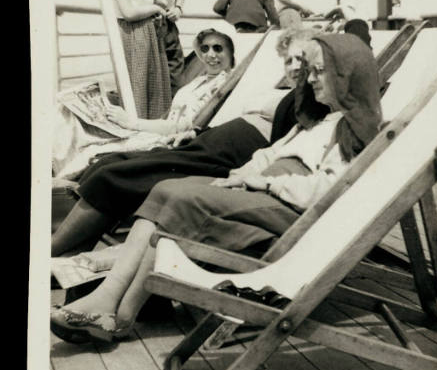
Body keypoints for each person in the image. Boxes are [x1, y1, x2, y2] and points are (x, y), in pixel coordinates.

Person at [50, 33, 382, 343]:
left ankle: (120, 311)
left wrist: (265, 182)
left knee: (181, 197)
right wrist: (243, 173)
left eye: (320, 71)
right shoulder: (320, 120)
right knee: (167, 188)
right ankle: (110, 305)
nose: (310, 78)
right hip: (263, 197)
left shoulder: (355, 131)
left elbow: (325, 191)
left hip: (287, 216)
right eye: (312, 70)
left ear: (347, 75)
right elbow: (271, 153)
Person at [50, 28, 316, 258]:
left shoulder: (310, 99)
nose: (293, 66)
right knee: (109, 162)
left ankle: (54, 249)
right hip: (207, 143)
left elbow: (289, 143)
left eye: (301, 59)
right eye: (288, 60)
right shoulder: (282, 91)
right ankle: (71, 257)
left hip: (227, 156)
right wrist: (198, 131)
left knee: (116, 174)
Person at [104, 28, 234, 137]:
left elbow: (182, 127)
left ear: (231, 54)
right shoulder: (201, 80)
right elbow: (167, 118)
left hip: (178, 141)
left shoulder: (222, 85)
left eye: (218, 48)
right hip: (163, 132)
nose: (210, 55)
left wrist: (132, 123)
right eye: (205, 49)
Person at [213, 0, 280, 33]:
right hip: (256, 22)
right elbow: (272, 14)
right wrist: (277, 25)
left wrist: (229, 14)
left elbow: (218, 7)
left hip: (233, 23)